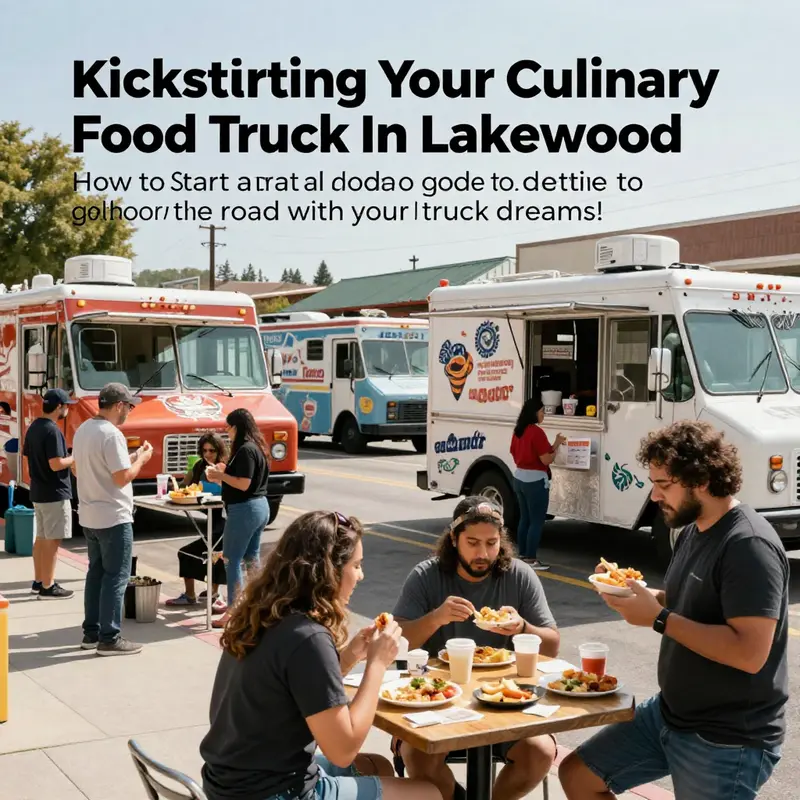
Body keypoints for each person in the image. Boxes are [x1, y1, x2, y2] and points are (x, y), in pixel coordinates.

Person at [559, 421, 789, 800]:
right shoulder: (694, 529)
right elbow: (690, 599)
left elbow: (750, 653)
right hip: (669, 715)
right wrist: (636, 592)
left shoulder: (748, 544)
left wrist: (658, 618)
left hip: (725, 738)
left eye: (663, 485)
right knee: (579, 776)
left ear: (700, 480)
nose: (654, 496)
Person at [199, 510, 442, 800]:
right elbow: (342, 750)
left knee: (377, 765)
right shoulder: (309, 637)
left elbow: (297, 687)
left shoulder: (264, 614)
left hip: (229, 781)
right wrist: (377, 664)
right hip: (275, 792)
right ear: (329, 571)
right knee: (428, 793)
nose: (361, 575)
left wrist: (350, 655)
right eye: (356, 565)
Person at [392, 496, 560, 800]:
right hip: (436, 701)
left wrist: (523, 627)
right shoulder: (426, 576)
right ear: (454, 539)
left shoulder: (520, 576)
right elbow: (395, 642)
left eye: (492, 543)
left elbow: (552, 644)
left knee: (540, 752)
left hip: (508, 703)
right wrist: (436, 618)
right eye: (472, 542)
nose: (483, 553)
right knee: (417, 756)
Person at [72, 383, 153, 656]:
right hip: (113, 517)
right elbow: (121, 478)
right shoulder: (111, 434)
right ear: (118, 405)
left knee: (95, 574)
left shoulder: (84, 430)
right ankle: (110, 637)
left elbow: (86, 468)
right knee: (116, 577)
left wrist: (134, 456)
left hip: (89, 515)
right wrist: (142, 460)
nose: (129, 411)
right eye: (129, 406)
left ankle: (91, 633)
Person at [204, 408, 270, 629]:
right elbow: (241, 481)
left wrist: (220, 475)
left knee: (231, 559)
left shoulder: (245, 450)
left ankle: (233, 610)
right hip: (259, 507)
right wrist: (224, 474)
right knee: (251, 557)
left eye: (228, 426)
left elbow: (243, 483)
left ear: (237, 427)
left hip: (245, 509)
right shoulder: (256, 448)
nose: (226, 430)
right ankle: (257, 603)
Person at [23, 388, 77, 600]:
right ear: (58, 408)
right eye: (66, 406)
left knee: (41, 539)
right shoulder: (52, 431)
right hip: (54, 492)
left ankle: (38, 581)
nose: (67, 410)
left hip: (38, 491)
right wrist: (73, 458)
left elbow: (27, 459)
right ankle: (48, 585)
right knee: (53, 542)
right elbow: (55, 464)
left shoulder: (34, 427)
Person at [165, 433, 228, 611]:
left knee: (215, 556)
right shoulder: (199, 466)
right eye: (204, 450)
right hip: (210, 520)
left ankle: (215, 594)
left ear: (219, 451)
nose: (208, 454)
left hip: (224, 520)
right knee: (187, 553)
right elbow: (184, 486)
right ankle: (190, 595)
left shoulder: (224, 467)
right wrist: (172, 487)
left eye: (212, 450)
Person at [510, 398, 566, 570]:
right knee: (536, 521)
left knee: (524, 519)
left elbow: (514, 452)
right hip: (535, 481)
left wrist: (555, 443)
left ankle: (521, 556)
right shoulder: (536, 432)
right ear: (534, 413)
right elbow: (546, 459)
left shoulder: (519, 431)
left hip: (519, 478)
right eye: (542, 411)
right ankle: (531, 559)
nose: (544, 415)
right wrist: (556, 449)